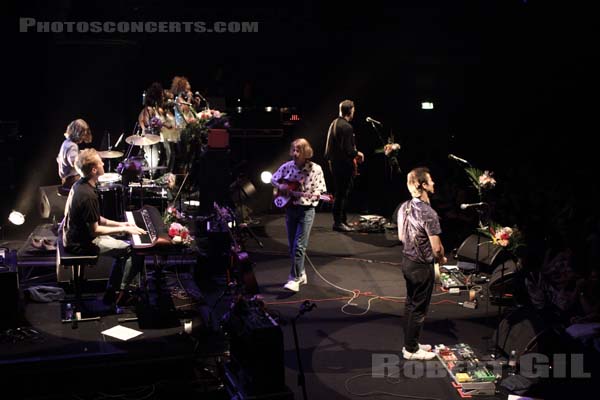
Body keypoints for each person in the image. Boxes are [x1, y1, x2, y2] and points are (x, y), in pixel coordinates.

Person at [61, 148, 146, 306]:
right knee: (132, 249)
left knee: (123, 243)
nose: (103, 163)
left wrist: (122, 224)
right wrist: (125, 229)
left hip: (77, 236)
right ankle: (121, 294)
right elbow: (96, 230)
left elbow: (95, 218)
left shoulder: (80, 185)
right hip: (81, 243)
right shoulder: (88, 195)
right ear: (94, 170)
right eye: (100, 162)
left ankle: (111, 291)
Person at [397, 167, 447, 360]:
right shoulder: (429, 213)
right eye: (431, 181)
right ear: (423, 185)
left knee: (410, 304)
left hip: (407, 261)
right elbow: (436, 248)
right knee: (419, 308)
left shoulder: (404, 206)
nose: (434, 183)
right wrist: (441, 258)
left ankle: (411, 343)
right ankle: (411, 350)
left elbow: (402, 236)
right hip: (420, 266)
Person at [271, 138, 327, 292]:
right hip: (290, 209)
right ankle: (301, 273)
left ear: (306, 152)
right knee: (292, 246)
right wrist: (281, 186)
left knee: (299, 245)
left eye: (299, 150)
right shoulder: (287, 167)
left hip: (306, 210)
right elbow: (273, 179)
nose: (295, 153)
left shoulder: (316, 169)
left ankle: (294, 279)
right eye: (294, 150)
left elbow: (320, 190)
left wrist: (315, 195)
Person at [324, 99, 364, 232]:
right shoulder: (347, 127)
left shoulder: (334, 123)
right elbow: (349, 150)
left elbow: (328, 150)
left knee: (341, 193)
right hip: (343, 165)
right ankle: (338, 223)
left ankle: (343, 221)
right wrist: (358, 154)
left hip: (335, 164)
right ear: (351, 111)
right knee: (341, 194)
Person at [56, 119, 93, 193]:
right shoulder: (72, 146)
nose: (83, 138)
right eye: (82, 134)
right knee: (93, 179)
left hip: (66, 177)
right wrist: (88, 159)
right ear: (77, 133)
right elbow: (75, 163)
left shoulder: (66, 142)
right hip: (71, 179)